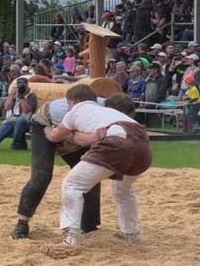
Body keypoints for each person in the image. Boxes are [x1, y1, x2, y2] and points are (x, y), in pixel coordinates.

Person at [48, 87, 152, 246]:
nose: (67, 107)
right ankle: (131, 234)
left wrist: (46, 130)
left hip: (116, 142)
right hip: (143, 146)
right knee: (124, 189)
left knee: (72, 184)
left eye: (68, 103)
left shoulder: (75, 111)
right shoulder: (105, 113)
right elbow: (87, 139)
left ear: (74, 101)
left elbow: (56, 136)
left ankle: (71, 235)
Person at [11, 93, 108, 240]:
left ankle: (89, 225)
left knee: (89, 175)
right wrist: (94, 138)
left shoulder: (113, 115)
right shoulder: (68, 112)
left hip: (74, 132)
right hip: (47, 126)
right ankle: (22, 223)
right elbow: (56, 136)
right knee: (42, 175)